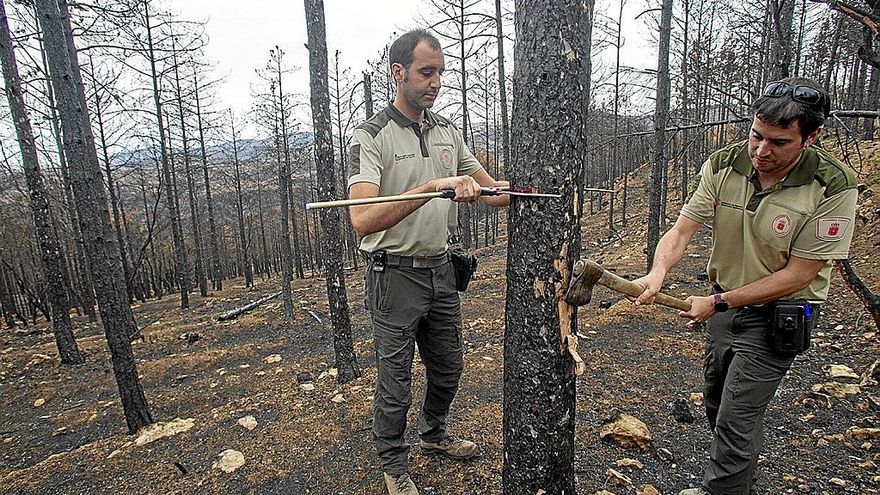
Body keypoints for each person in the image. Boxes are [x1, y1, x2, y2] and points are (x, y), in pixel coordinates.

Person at [633, 77, 858, 495]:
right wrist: (657, 272)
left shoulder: (833, 185)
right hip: (725, 309)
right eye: (756, 135)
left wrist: (718, 301)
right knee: (719, 406)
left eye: (778, 142)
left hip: (780, 316)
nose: (761, 151)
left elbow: (800, 274)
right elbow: (681, 231)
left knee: (736, 421)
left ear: (812, 137)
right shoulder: (725, 164)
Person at [347, 29, 509, 495]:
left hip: (440, 269)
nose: (436, 82)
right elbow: (362, 219)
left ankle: (434, 434)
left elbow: (493, 193)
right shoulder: (371, 136)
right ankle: (394, 466)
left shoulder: (446, 133)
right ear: (398, 72)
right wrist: (426, 189)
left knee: (448, 368)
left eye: (440, 72)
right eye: (426, 72)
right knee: (395, 381)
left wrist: (494, 190)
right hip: (393, 274)